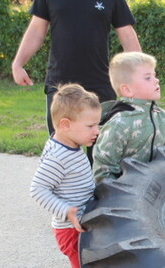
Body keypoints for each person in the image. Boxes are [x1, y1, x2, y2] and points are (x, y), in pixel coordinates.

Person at [11, 0, 141, 161]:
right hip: (60, 86)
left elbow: (127, 34)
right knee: (61, 154)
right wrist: (18, 63)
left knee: (101, 154)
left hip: (100, 84)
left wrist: (139, 73)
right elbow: (36, 30)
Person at [30, 83, 101, 268]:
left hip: (74, 226)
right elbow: (37, 189)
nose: (96, 131)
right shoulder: (58, 156)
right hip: (70, 230)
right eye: (90, 126)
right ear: (65, 124)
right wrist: (67, 211)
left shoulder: (68, 144)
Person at [92, 52, 165, 183]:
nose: (156, 80)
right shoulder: (120, 122)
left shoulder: (163, 117)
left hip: (158, 186)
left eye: (154, 75)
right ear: (127, 90)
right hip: (126, 189)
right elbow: (104, 168)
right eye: (148, 78)